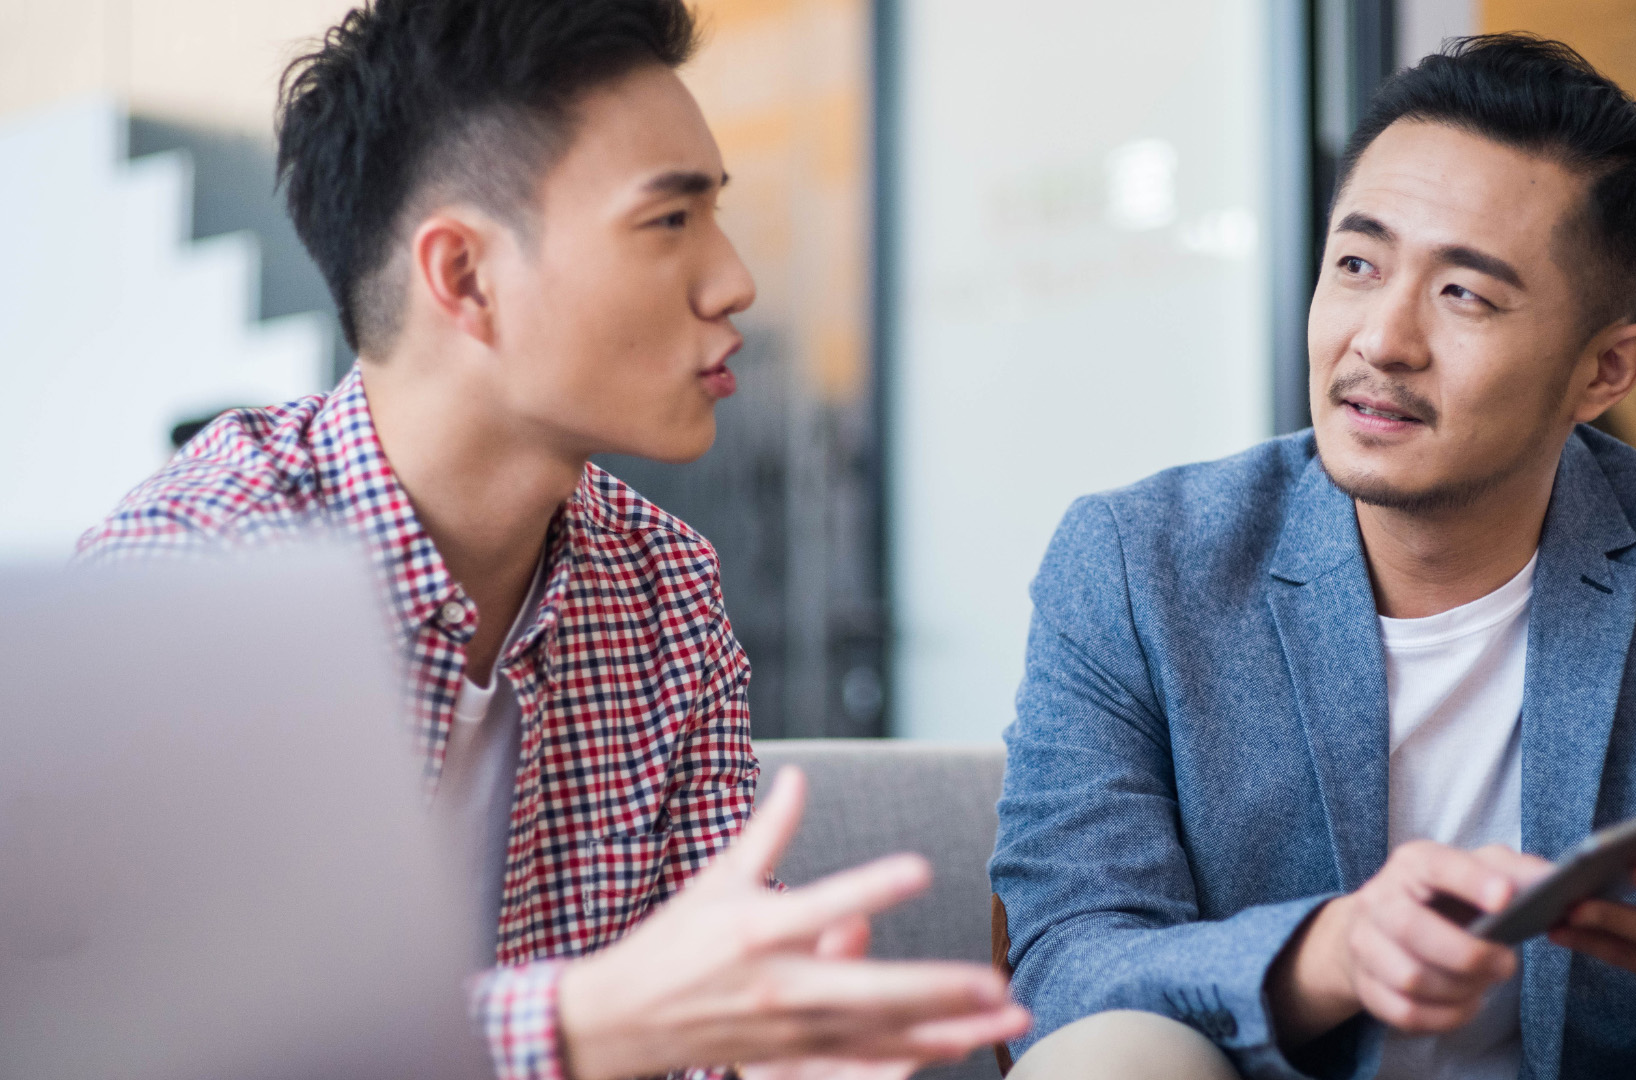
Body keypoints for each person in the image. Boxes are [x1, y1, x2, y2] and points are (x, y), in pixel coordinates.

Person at [75, 1, 1028, 1078]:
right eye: (669, 222)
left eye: (716, 215)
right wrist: (576, 1027)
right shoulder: (192, 581)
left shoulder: (665, 582)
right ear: (465, 278)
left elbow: (712, 1008)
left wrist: (777, 1051)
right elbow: (143, 1045)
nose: (735, 282)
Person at [989, 34, 1636, 1080]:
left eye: (1464, 294)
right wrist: (1327, 954)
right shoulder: (1136, 564)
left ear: (1604, 370)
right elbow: (1063, 969)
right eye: (1357, 264)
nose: (1382, 339)